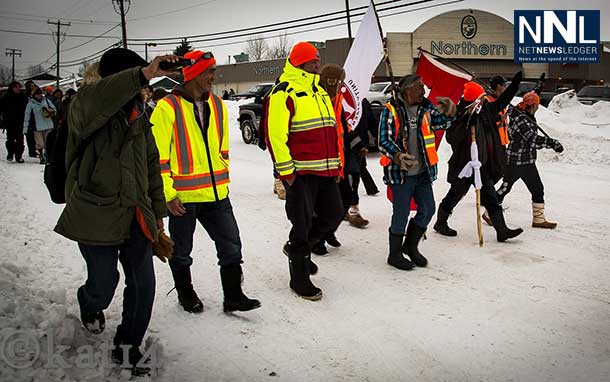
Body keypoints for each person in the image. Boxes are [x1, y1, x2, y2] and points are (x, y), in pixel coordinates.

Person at [54, 48, 176, 374]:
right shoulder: (85, 106)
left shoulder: (141, 115)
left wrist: (158, 212)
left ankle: (128, 346)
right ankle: (89, 302)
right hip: (96, 212)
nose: (143, 87)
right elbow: (102, 97)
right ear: (118, 79)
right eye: (136, 78)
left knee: (144, 283)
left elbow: (151, 167)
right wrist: (143, 73)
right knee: (103, 283)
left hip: (135, 212)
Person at [151, 50, 260, 314]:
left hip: (216, 193)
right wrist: (168, 193)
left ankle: (233, 295)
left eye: (213, 70)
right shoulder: (167, 107)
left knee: (231, 244)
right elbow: (156, 157)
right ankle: (186, 293)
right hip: (183, 198)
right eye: (209, 71)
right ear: (192, 74)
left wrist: (222, 175)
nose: (214, 76)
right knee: (181, 250)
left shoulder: (218, 105)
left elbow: (221, 149)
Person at [265, 42, 344, 300]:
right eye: (313, 61)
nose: (318, 65)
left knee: (333, 215)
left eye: (318, 60)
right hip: (300, 173)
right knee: (302, 224)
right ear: (300, 63)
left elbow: (330, 131)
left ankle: (297, 251)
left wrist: (336, 165)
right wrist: (287, 174)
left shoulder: (319, 92)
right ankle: (299, 280)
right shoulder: (284, 91)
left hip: (326, 171)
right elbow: (275, 135)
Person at [434, 73, 524, 242]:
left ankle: (502, 230)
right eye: (480, 97)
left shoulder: (484, 110)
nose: (483, 99)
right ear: (473, 99)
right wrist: (468, 123)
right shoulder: (459, 114)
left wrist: (514, 86)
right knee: (455, 194)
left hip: (481, 164)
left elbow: (501, 103)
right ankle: (441, 222)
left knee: (490, 195)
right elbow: (452, 138)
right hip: (465, 165)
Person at [379, 74, 456, 271]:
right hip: (401, 174)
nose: (424, 91)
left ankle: (410, 246)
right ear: (407, 90)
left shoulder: (426, 108)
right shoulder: (391, 110)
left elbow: (440, 123)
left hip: (423, 172)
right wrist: (397, 156)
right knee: (401, 213)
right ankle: (394, 254)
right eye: (420, 88)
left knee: (428, 209)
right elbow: (383, 140)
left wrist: (450, 112)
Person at [495, 91, 563, 229]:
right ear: (533, 105)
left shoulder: (525, 116)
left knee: (536, 188)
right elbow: (532, 139)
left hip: (526, 161)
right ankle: (490, 213)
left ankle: (538, 220)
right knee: (506, 188)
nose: (538, 107)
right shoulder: (521, 119)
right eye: (537, 105)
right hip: (516, 161)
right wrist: (552, 143)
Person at [23, 87, 55, 164]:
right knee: (40, 143)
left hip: (48, 125)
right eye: (37, 94)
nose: (39, 95)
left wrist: (50, 112)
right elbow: (27, 117)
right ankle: (42, 156)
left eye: (40, 93)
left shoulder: (46, 100)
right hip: (37, 127)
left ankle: (48, 156)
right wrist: (25, 129)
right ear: (34, 95)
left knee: (48, 142)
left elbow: (54, 109)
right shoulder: (30, 104)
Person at [1, 81, 28, 163]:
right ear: (12, 88)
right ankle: (10, 153)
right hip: (10, 122)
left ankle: (18, 156)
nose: (18, 88)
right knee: (10, 140)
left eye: (19, 87)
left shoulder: (23, 97)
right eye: (16, 87)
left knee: (20, 140)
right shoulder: (6, 97)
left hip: (21, 122)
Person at [24, 80, 38, 158]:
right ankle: (32, 151)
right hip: (29, 118)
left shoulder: (37, 94)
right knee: (30, 135)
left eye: (33, 85)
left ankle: (36, 149)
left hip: (37, 117)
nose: (32, 87)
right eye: (30, 86)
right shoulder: (25, 96)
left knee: (37, 135)